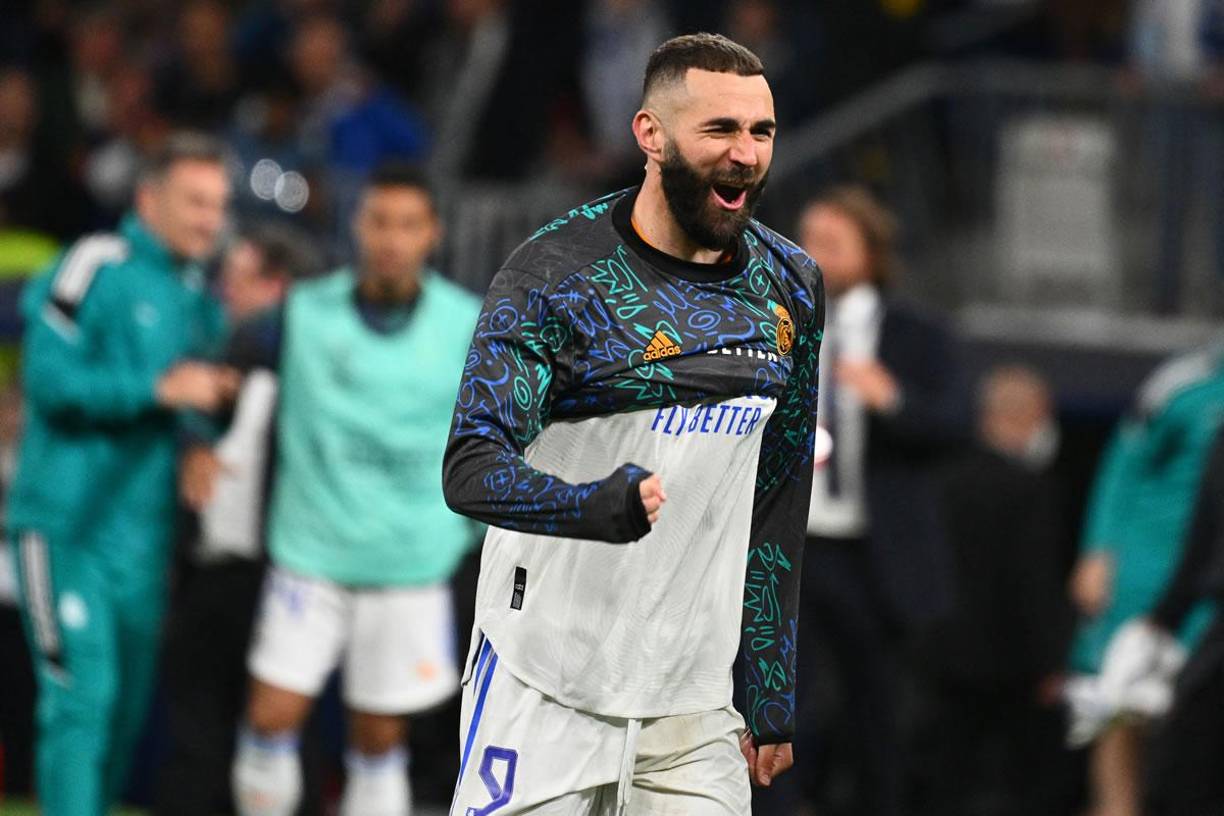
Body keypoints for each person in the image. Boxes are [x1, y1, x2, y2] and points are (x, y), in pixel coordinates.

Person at [444, 33, 823, 815]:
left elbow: (778, 494)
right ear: (650, 134)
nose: (746, 155)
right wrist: (588, 507)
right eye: (719, 130)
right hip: (542, 680)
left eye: (762, 132)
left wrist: (771, 685)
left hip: (691, 710)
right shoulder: (554, 276)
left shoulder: (792, 288)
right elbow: (471, 465)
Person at [229, 163, 482, 816]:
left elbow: (494, 433)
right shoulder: (302, 315)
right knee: (271, 717)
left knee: (378, 741)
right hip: (311, 554)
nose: (391, 239)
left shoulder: (466, 326)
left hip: (409, 562)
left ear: (432, 233)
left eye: (407, 224)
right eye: (379, 222)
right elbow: (224, 370)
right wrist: (197, 441)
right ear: (357, 227)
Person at [6, 131, 237, 815]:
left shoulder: (201, 294)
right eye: (195, 202)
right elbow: (46, 378)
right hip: (66, 525)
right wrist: (158, 391)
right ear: (148, 197)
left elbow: (198, 401)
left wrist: (199, 432)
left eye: (217, 205)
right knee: (83, 703)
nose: (209, 220)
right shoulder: (92, 264)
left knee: (123, 721)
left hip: (142, 544)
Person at [783, 185, 969, 816]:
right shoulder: (774, 323)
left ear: (871, 251)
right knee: (780, 702)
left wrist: (890, 398)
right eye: (809, 240)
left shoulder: (918, 333)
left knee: (879, 711)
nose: (816, 254)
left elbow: (954, 425)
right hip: (793, 545)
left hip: (875, 553)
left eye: (833, 243)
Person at [156, 222, 317, 816]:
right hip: (230, 573)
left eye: (239, 282)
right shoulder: (231, 354)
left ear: (278, 286)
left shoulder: (288, 348)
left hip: (281, 573)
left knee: (267, 734)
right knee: (210, 735)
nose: (225, 295)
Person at [1067, 344, 1224, 816]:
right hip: (1152, 570)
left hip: (1209, 583)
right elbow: (1125, 461)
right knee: (1120, 705)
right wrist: (1099, 549)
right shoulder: (1181, 383)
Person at [913, 365, 1071, 816]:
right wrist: (1051, 661)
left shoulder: (937, 481)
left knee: (944, 781)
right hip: (1012, 668)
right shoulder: (1033, 491)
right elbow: (1034, 581)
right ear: (1033, 415)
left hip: (938, 660)